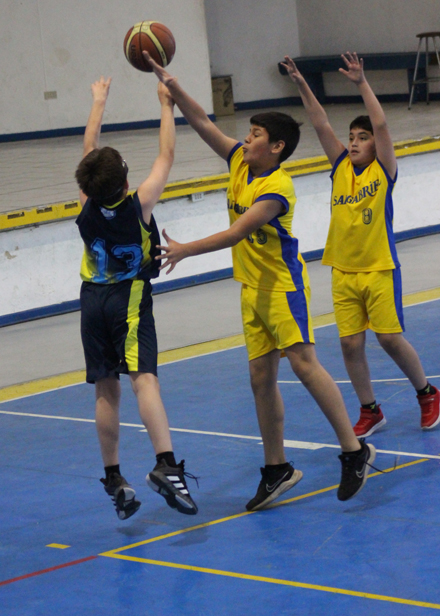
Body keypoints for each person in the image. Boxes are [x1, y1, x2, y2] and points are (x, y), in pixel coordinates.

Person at [143, 51, 375, 508]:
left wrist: (186, 249)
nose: (246, 140)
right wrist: (172, 86)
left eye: (255, 135)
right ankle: (276, 468)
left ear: (276, 148)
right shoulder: (239, 162)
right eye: (248, 133)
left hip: (283, 287)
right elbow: (202, 121)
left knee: (304, 364)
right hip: (252, 288)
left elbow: (237, 232)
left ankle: (354, 451)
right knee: (260, 377)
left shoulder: (277, 187)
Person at [282, 52, 440, 436]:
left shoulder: (383, 171)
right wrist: (301, 83)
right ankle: (370, 410)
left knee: (389, 338)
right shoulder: (339, 167)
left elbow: (381, 123)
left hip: (379, 267)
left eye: (362, 138)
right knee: (350, 345)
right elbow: (320, 122)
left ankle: (427, 393)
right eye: (352, 137)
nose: (353, 143)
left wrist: (361, 83)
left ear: (375, 145)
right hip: (343, 270)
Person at [74, 76, 198, 520]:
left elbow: (89, 147)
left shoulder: (86, 203)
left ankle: (113, 477)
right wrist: (166, 105)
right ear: (126, 181)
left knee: (105, 390)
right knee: (144, 380)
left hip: (91, 300)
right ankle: (166, 464)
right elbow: (166, 156)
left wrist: (98, 101)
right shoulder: (138, 205)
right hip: (128, 299)